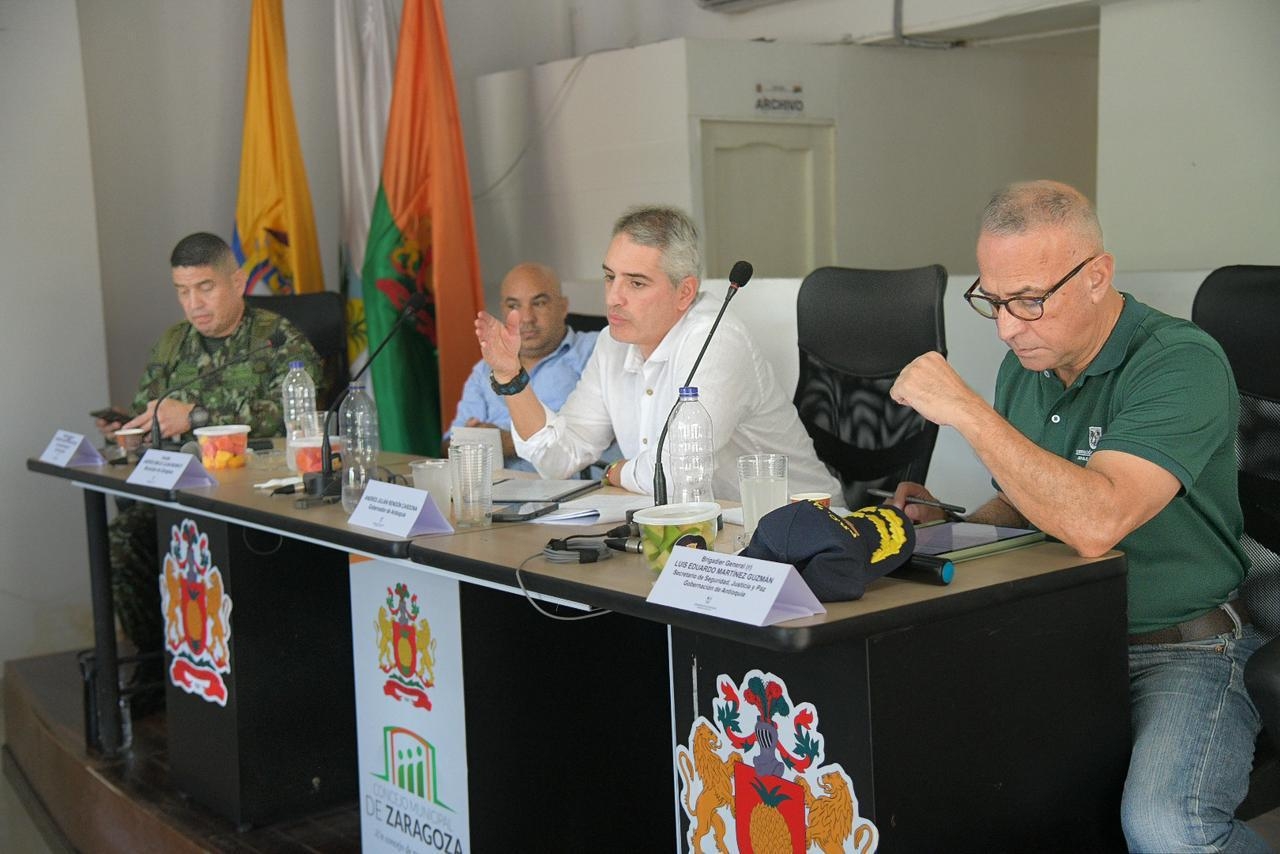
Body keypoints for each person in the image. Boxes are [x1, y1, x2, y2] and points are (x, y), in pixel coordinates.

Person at [888, 180, 1261, 850]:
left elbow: (1096, 522)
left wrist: (968, 412)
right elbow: (1031, 499)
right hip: (1060, 636)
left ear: (1097, 276)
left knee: (1167, 829)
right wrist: (951, 524)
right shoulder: (1026, 364)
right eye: (993, 301)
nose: (1007, 327)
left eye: (1030, 301)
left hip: (1181, 645)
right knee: (946, 775)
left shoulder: (1179, 362)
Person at [474, 205, 839, 500]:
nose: (613, 297)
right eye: (609, 277)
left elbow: (678, 473)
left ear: (685, 292)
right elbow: (558, 459)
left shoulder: (717, 339)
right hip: (701, 535)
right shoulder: (610, 344)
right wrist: (511, 378)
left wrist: (618, 471)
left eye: (636, 282)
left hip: (802, 537)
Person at [96, 232, 321, 691]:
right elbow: (151, 413)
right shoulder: (172, 345)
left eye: (205, 287)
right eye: (182, 291)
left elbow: (297, 415)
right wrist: (133, 431)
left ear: (237, 282)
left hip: (260, 498)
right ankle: (158, 664)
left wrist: (197, 417)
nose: (194, 304)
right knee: (121, 540)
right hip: (183, 493)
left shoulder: (278, 339)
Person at [443, 262, 615, 472]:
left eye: (539, 303)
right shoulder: (485, 369)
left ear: (563, 307)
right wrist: (485, 442)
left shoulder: (598, 350)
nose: (526, 318)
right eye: (514, 306)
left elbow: (588, 434)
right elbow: (451, 445)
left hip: (571, 493)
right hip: (498, 493)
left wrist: (504, 442)